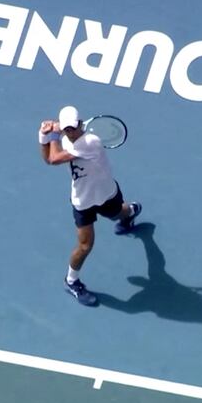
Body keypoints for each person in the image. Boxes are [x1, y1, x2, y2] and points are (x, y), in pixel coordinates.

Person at [39, 106, 142, 306]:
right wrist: (44, 136)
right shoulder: (67, 137)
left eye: (73, 127)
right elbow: (47, 159)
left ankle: (130, 211)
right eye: (67, 129)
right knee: (85, 245)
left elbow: (53, 158)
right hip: (83, 201)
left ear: (80, 123)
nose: (71, 131)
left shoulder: (91, 142)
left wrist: (53, 133)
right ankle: (71, 282)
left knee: (118, 213)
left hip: (106, 194)